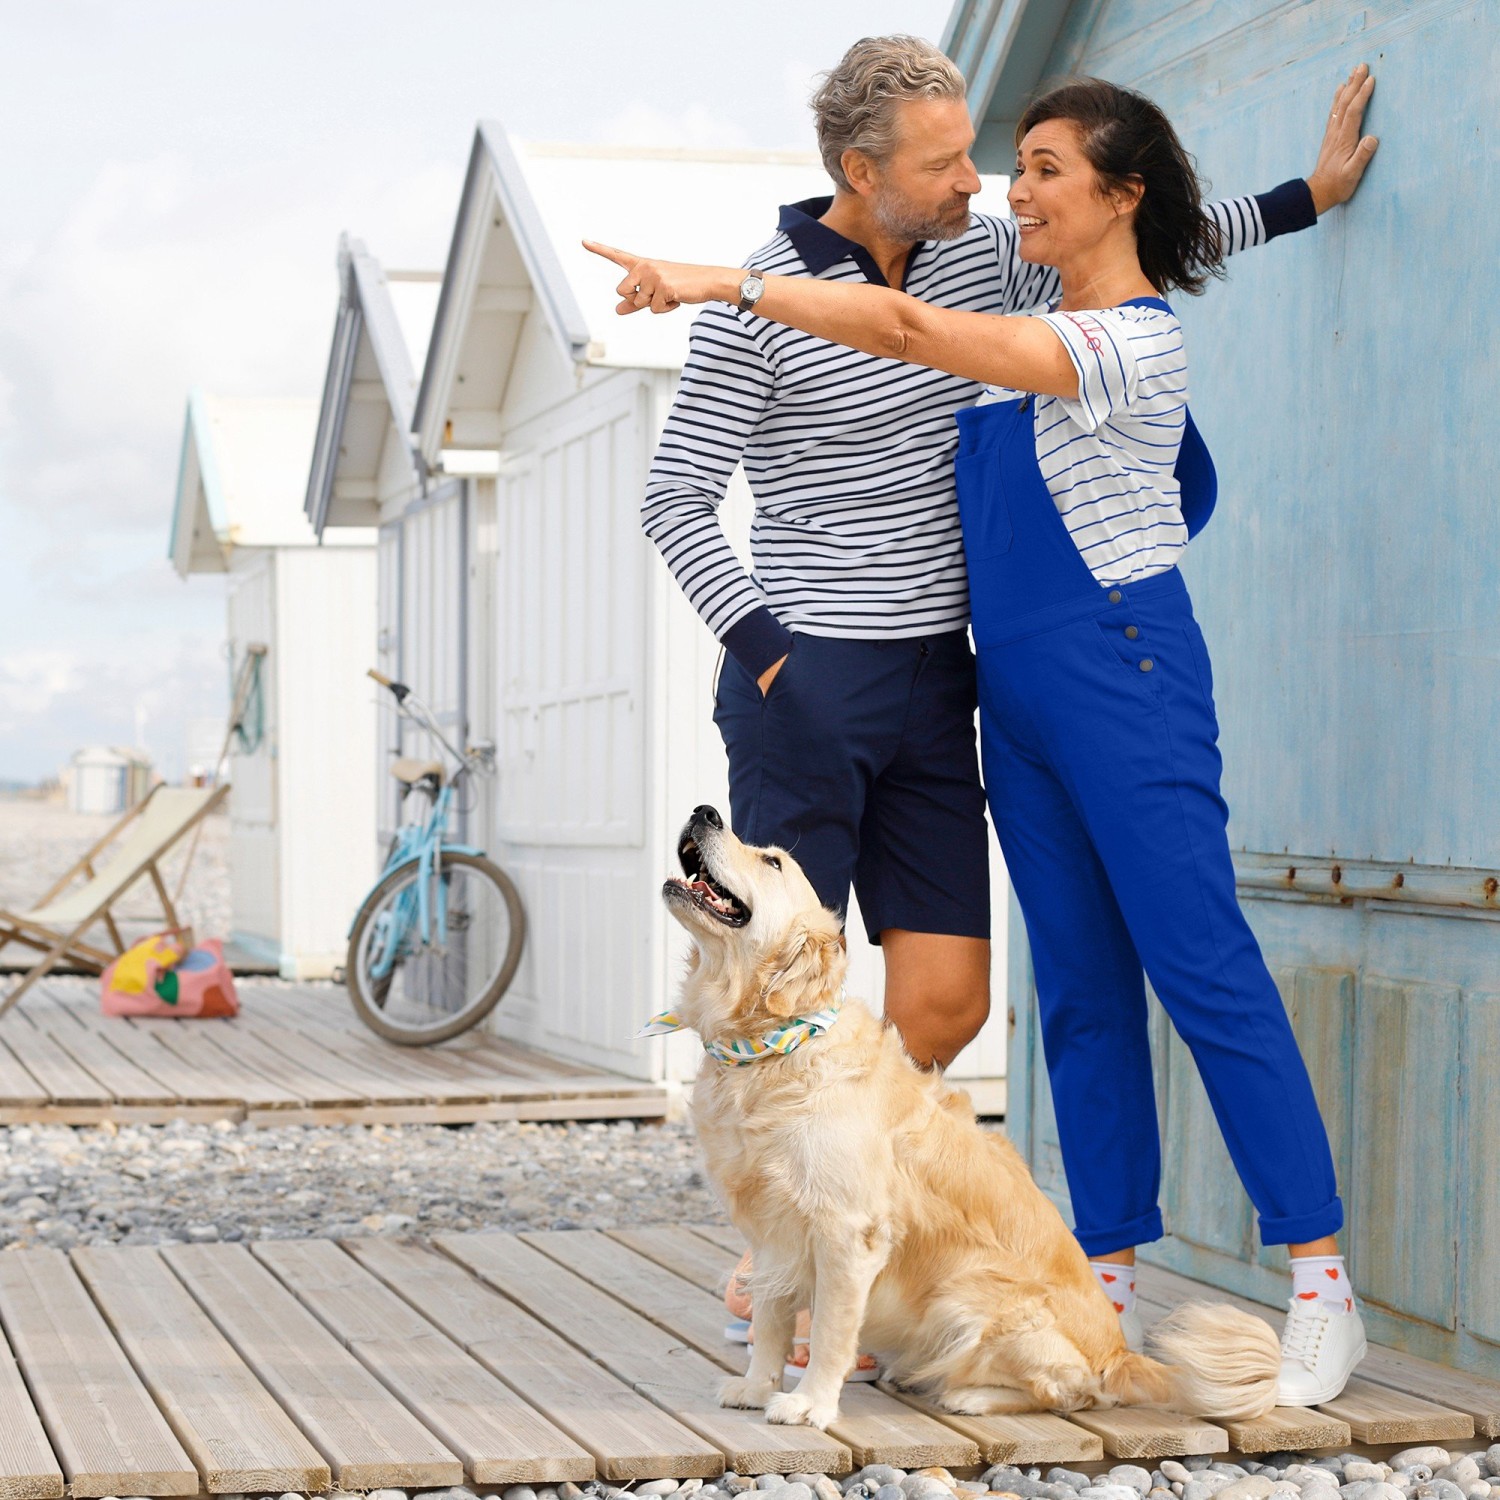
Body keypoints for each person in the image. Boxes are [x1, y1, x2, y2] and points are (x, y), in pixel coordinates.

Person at [589, 59, 1378, 1408]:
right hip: (904, 687)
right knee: (1052, 985)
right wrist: (767, 649)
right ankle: (1068, 1265)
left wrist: (1305, 199)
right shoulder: (961, 274)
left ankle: (1317, 1279)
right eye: (962, 166)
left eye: (1017, 168)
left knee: (1116, 976)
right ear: (865, 171)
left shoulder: (1037, 294)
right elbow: (678, 496)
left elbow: (1104, 252)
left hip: (1049, 675)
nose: (993, 192)